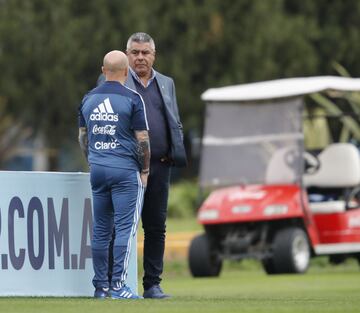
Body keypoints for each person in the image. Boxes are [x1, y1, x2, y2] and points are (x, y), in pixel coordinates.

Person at [98, 32, 187, 298]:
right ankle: (115, 283)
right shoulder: (114, 81)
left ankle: (152, 285)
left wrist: (174, 149)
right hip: (127, 167)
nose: (139, 58)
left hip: (160, 166)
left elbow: (173, 119)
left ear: (153, 55)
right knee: (121, 227)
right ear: (126, 55)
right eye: (134, 52)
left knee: (156, 227)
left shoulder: (167, 83)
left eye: (145, 52)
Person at [78, 50, 150, 299]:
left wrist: (92, 161)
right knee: (124, 228)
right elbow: (143, 139)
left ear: (103, 70)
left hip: (97, 169)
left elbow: (83, 137)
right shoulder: (132, 98)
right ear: (127, 71)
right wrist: (146, 169)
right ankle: (119, 285)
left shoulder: (88, 98)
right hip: (124, 171)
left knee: (99, 229)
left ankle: (101, 287)